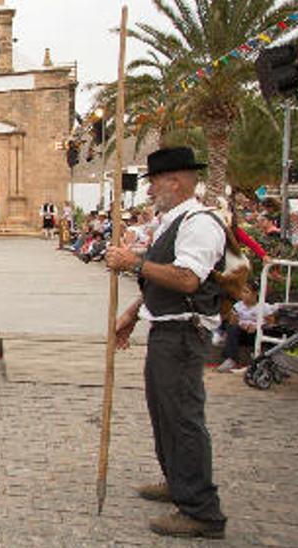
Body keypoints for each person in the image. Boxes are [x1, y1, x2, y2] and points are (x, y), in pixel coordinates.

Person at [106, 146, 228, 538]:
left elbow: (188, 279)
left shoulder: (199, 222)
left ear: (175, 181)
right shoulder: (174, 222)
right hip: (165, 328)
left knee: (182, 417)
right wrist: (134, 311)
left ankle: (201, 510)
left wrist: (134, 263)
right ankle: (178, 481)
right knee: (164, 413)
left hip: (182, 335)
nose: (149, 191)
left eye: (154, 182)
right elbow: (168, 277)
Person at [217, 285, 277, 373]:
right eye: (242, 292)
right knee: (231, 327)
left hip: (257, 335)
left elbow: (271, 323)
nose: (243, 295)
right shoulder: (238, 306)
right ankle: (231, 359)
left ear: (255, 293)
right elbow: (232, 323)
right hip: (242, 334)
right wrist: (235, 320)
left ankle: (257, 359)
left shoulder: (264, 307)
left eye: (246, 292)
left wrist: (257, 327)